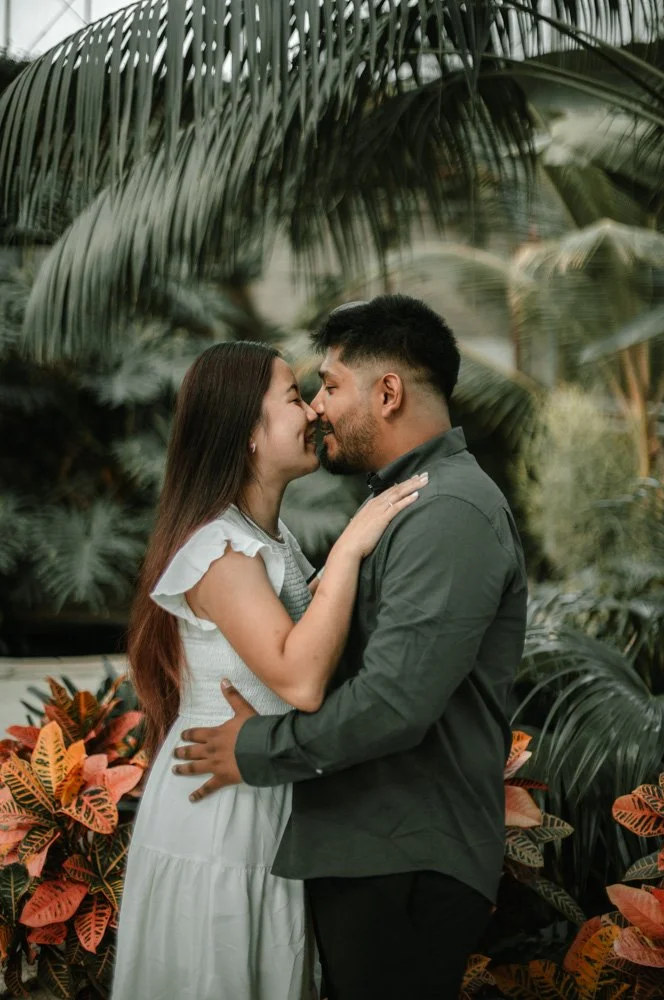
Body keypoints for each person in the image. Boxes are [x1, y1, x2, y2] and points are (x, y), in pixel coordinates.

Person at [173, 295, 528, 1000]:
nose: (317, 407)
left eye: (330, 385)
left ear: (388, 393)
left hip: (399, 854)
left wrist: (256, 749)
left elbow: (393, 702)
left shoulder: (446, 512)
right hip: (377, 848)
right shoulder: (407, 504)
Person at [112, 340, 424, 1000]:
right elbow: (300, 679)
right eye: (292, 398)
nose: (312, 411)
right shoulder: (219, 551)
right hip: (221, 812)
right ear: (247, 434)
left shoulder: (268, 543)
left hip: (260, 788)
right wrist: (349, 549)